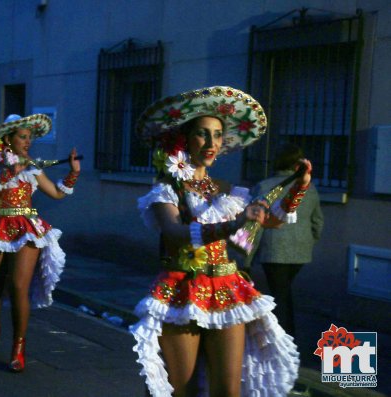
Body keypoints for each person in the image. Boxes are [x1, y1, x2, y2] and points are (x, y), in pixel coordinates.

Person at [129, 86, 311, 397]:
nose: (212, 143)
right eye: (203, 134)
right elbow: (174, 232)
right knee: (182, 391)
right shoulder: (166, 188)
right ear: (185, 139)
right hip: (180, 292)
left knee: (229, 391)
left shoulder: (227, 189)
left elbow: (269, 220)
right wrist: (237, 221)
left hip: (228, 288)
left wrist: (298, 187)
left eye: (217, 135)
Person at [0, 114, 80, 372]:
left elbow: (55, 193)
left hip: (26, 229)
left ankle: (18, 348)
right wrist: (11, 169)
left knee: (19, 286)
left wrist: (72, 173)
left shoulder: (33, 168)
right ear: (7, 139)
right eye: (23, 136)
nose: (28, 141)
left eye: (30, 137)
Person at [250, 143, 324, 337]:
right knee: (283, 292)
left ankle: (283, 337)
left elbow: (254, 226)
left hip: (273, 250)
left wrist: (247, 260)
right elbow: (318, 222)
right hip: (301, 250)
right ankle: (287, 336)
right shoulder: (311, 188)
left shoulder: (264, 186)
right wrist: (308, 242)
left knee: (279, 295)